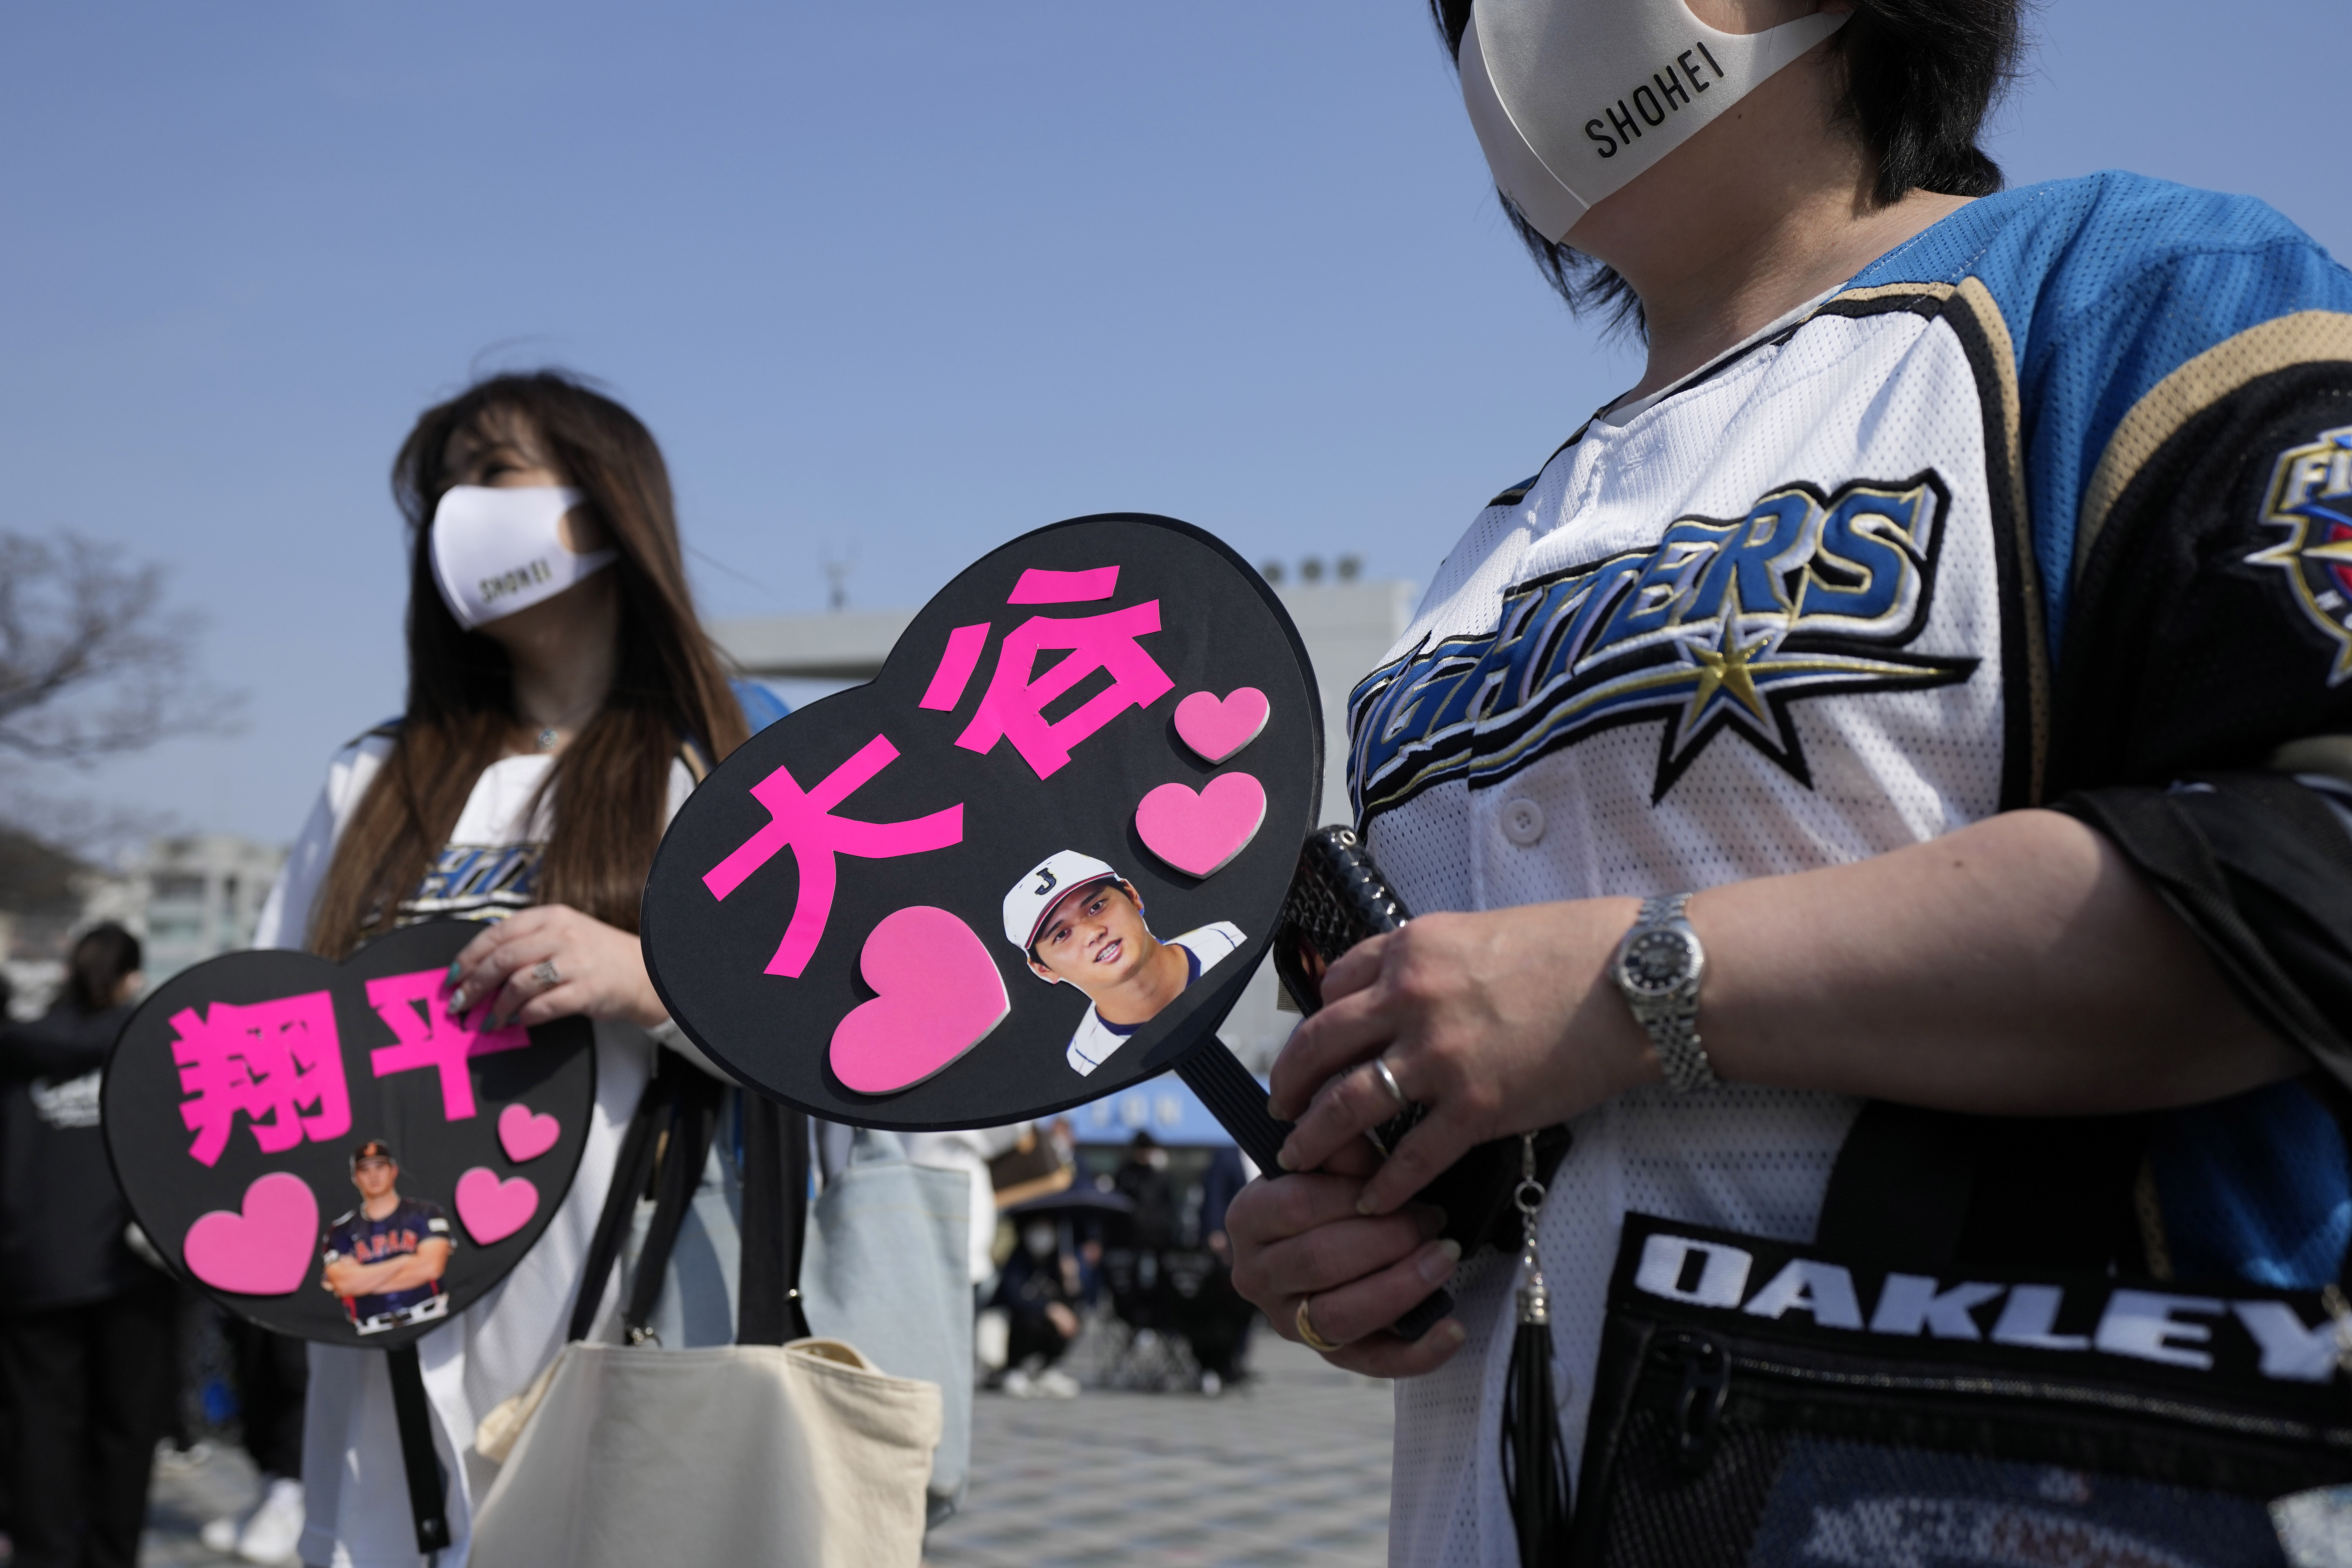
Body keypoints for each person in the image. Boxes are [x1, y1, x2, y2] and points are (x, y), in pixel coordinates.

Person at [1223, 0, 2352, 1561]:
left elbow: (2308, 860)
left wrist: (1633, 986)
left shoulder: (2143, 292)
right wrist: (1347, 1240)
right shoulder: (1479, 556)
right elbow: (1484, 1097)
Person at [253, 370, 786, 1564]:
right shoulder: (372, 781)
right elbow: (273, 1043)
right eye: (439, 489)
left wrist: (653, 980)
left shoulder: (731, 755)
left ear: (602, 506)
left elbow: (863, 1048)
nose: (454, 510)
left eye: (491, 474)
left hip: (649, 1318)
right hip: (390, 1341)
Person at [0, 924, 176, 1568]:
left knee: (39, 1425)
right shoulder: (156, 1048)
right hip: (131, 1271)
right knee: (127, 1430)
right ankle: (110, 1555)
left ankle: (42, 1555)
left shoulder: (16, 1051)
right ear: (131, 977)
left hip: (31, 1269)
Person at [1000, 850, 1245, 1076]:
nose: (1092, 933)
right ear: (1043, 969)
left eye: (1096, 906)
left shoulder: (1231, 942)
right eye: (1062, 934)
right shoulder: (1083, 1065)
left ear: (1132, 896)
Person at [319, 1142, 453, 1336]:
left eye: (380, 1167)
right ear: (356, 1178)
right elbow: (344, 1285)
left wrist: (362, 1279)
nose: (374, 1176)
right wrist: (407, 1261)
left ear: (394, 1170)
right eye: (365, 1170)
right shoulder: (341, 1230)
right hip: (371, 1331)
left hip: (431, 1318)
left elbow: (431, 1268)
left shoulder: (425, 1213)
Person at [989, 1220, 1082, 1399]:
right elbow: (1015, 1298)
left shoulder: (1058, 1261)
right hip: (1015, 1326)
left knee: (1073, 1317)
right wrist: (1051, 1310)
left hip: (1046, 1327)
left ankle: (1047, 1370)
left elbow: (1073, 1299)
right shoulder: (1017, 1261)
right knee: (1031, 1320)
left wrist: (1072, 1280)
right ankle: (1012, 1370)